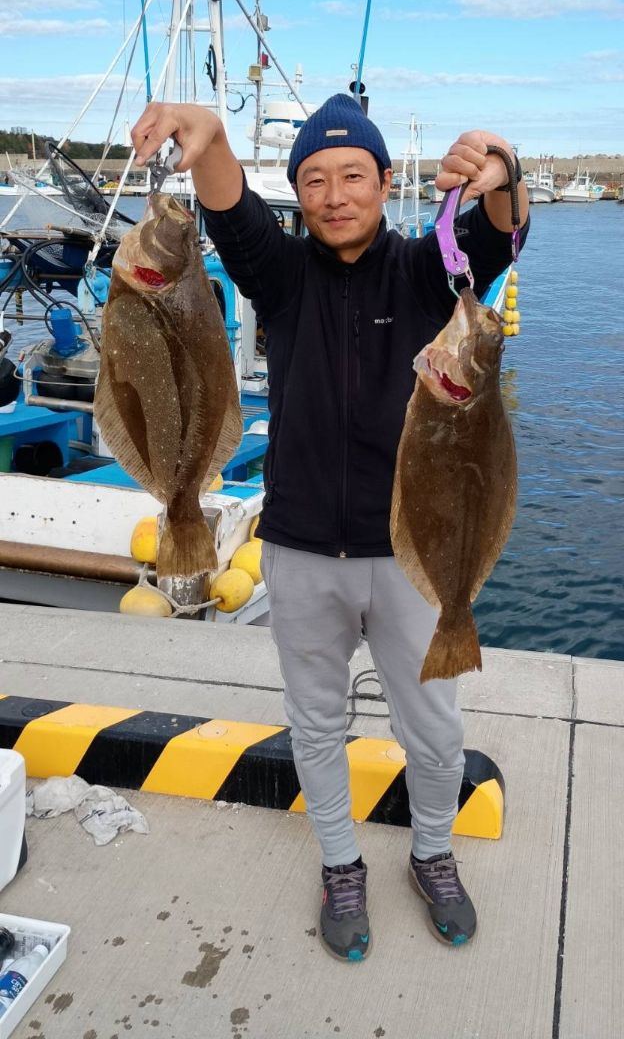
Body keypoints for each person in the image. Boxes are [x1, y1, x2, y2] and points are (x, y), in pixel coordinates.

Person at [132, 93, 529, 963]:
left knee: (434, 729)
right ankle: (341, 865)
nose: (335, 193)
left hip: (411, 557)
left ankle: (431, 853)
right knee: (315, 724)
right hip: (303, 548)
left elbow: (501, 228)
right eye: (315, 179)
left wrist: (501, 164)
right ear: (300, 192)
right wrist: (212, 138)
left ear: (386, 183)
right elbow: (230, 210)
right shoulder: (280, 275)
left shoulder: (429, 273)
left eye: (354, 175)